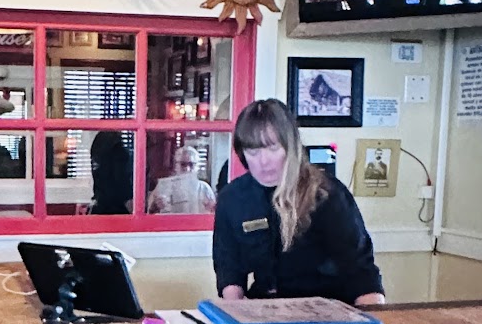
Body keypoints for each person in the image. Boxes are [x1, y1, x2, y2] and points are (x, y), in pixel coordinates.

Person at [213, 98, 385, 304]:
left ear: (290, 147)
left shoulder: (327, 194)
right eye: (253, 152)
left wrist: (374, 320)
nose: (263, 161)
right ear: (242, 154)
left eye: (273, 148)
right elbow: (229, 269)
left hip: (327, 307)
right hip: (265, 306)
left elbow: (361, 272)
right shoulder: (232, 198)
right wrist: (235, 313)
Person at [147, 144, 216, 214]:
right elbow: (149, 213)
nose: (187, 169)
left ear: (197, 167)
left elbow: (214, 214)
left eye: (191, 164)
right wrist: (155, 206)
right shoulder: (163, 187)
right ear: (175, 165)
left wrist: (211, 209)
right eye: (183, 164)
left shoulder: (204, 189)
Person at [88, 128, 133, 214]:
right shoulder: (118, 151)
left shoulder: (99, 145)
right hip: (117, 207)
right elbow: (121, 179)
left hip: (101, 205)